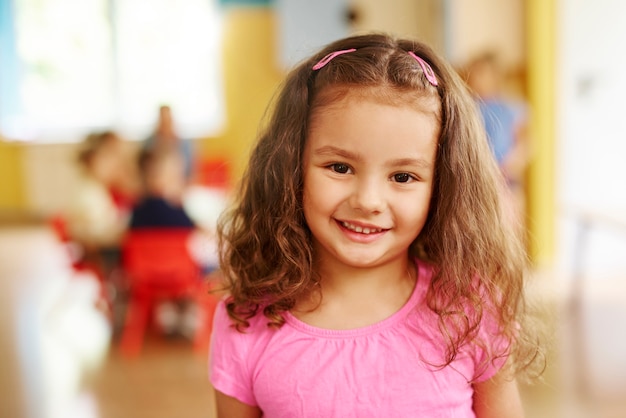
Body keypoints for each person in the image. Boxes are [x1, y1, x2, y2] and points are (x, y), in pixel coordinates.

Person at [209, 33, 543, 417]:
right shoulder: (245, 320)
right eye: (339, 167)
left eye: (402, 177)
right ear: (290, 168)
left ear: (444, 186)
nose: (367, 201)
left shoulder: (470, 309)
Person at [464, 52, 531, 230]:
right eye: (473, 73)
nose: (475, 79)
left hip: (506, 178)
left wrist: (511, 164)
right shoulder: (468, 107)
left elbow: (525, 144)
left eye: (480, 73)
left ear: (495, 76)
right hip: (477, 178)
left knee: (507, 226)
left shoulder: (512, 108)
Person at [143, 105, 195, 182]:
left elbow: (191, 171)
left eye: (168, 119)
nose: (166, 123)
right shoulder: (150, 143)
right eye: (163, 119)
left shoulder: (184, 144)